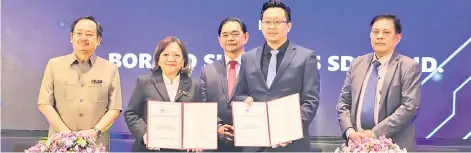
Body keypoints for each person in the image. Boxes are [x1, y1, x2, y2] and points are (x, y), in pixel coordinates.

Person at [234, 0, 320, 152]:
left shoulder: (305, 57)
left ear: (289, 25)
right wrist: (245, 101)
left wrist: (289, 130)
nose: (272, 27)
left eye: (277, 22)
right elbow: (239, 94)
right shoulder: (248, 57)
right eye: (267, 22)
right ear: (261, 25)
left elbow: (310, 101)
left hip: (291, 144)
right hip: (255, 144)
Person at [336, 13, 422, 151]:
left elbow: (409, 108)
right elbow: (343, 103)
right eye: (375, 32)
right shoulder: (357, 64)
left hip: (393, 146)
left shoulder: (408, 66)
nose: (380, 36)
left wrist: (375, 133)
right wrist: (350, 131)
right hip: (356, 145)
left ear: (397, 38)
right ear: (370, 35)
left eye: (386, 32)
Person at [37, 16, 122, 149]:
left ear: (98, 40)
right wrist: (64, 132)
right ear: (71, 37)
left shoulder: (110, 68)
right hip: (59, 143)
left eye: (89, 34)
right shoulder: (54, 64)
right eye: (79, 33)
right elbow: (44, 103)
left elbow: (114, 108)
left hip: (95, 144)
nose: (83, 38)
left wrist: (95, 132)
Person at [124, 36, 203, 152]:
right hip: (150, 149)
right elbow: (131, 114)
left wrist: (197, 139)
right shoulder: (144, 82)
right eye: (165, 55)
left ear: (184, 61)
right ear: (158, 60)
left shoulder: (195, 85)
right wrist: (145, 134)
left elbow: (201, 119)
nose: (171, 59)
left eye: (176, 55)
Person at [200, 17, 249, 152]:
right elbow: (203, 104)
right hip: (216, 144)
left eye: (235, 34)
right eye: (225, 35)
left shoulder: (257, 68)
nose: (230, 38)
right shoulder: (208, 71)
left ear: (246, 37)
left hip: (250, 141)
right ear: (219, 40)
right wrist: (217, 126)